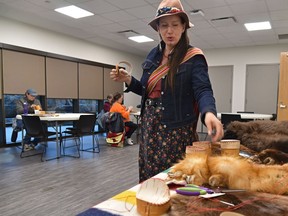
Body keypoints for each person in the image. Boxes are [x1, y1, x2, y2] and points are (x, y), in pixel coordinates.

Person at [110, 0, 224, 182]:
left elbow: (203, 90)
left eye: (174, 25)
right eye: (164, 26)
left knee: (173, 177)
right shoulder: (152, 56)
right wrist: (128, 80)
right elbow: (146, 90)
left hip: (175, 129)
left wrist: (209, 113)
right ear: (158, 29)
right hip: (149, 126)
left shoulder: (193, 57)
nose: (169, 31)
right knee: (149, 174)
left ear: (184, 26)